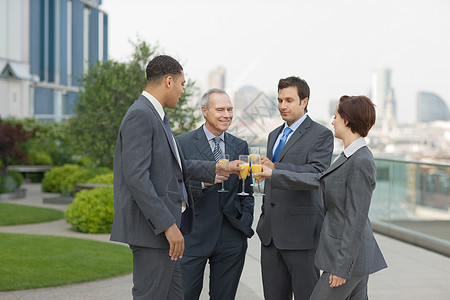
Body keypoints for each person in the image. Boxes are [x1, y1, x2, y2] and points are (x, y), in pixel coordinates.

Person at [110, 55, 242, 300]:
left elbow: (176, 166)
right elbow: (137, 178)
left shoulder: (157, 115)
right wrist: (168, 226)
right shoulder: (140, 115)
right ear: (168, 81)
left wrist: (218, 169)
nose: (183, 91)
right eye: (182, 84)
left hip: (165, 233)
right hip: (154, 233)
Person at [254, 95, 388, 299]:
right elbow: (321, 182)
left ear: (348, 120)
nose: (332, 121)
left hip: (348, 261)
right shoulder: (348, 156)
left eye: (335, 116)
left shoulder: (360, 160)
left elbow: (355, 219)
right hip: (353, 258)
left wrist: (341, 267)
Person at [256, 76, 334, 300]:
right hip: (270, 236)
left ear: (304, 101)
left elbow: (317, 175)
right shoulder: (273, 135)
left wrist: (275, 169)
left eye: (289, 100)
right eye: (280, 100)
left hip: (301, 236)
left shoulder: (321, 135)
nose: (283, 106)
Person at [176, 88, 254, 300]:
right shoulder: (181, 144)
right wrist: (203, 182)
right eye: (220, 109)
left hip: (231, 237)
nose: (226, 115)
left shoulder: (240, 145)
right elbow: (173, 188)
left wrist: (244, 222)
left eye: (230, 109)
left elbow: (247, 191)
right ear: (204, 111)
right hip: (193, 235)